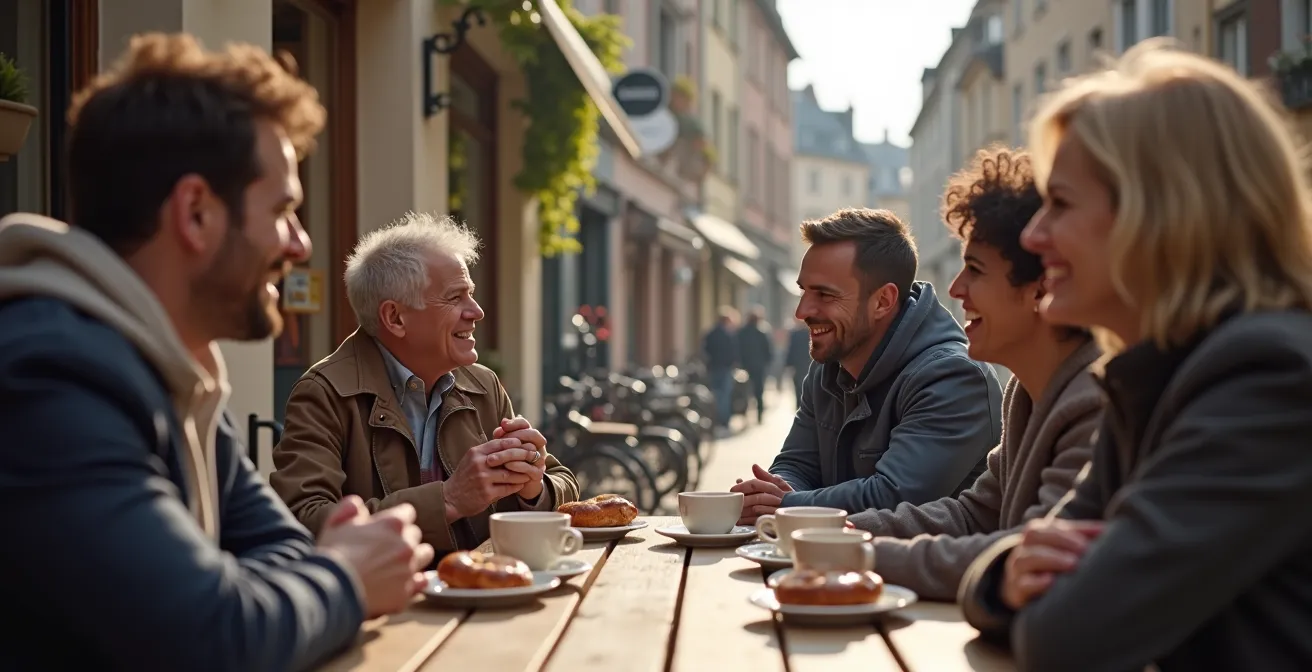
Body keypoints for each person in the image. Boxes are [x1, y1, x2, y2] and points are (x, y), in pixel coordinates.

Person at [0, 33, 428, 671]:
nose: (301, 244)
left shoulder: (172, 372)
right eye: (283, 209)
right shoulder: (50, 376)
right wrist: (344, 576)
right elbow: (208, 636)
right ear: (196, 212)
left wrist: (302, 579)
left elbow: (270, 554)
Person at [958, 40, 1312, 671]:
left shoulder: (1265, 378)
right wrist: (1006, 578)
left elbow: (1069, 635)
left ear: (1162, 215)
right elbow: (1014, 571)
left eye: (1060, 205)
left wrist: (1019, 587)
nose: (1035, 238)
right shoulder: (1154, 374)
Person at [845, 146, 1102, 601]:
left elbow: (1022, 560)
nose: (955, 288)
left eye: (976, 269)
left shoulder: (1092, 402)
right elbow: (972, 516)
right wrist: (838, 531)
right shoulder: (1027, 391)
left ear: (1042, 286)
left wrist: (860, 555)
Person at [271, 212, 580, 557]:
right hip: (387, 607)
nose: (476, 311)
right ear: (395, 317)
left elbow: (564, 483)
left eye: (472, 294)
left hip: (487, 596)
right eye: (455, 297)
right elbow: (303, 521)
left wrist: (534, 487)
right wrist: (448, 499)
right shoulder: (324, 393)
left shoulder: (483, 385)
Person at [733, 208, 1004, 524]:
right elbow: (797, 464)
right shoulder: (829, 364)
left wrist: (786, 503)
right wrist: (773, 494)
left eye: (824, 294)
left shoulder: (953, 377)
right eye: (803, 290)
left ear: (883, 301)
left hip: (915, 571)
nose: (802, 311)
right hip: (835, 563)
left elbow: (892, 497)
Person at [701, 306, 739, 432]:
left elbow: (705, 350)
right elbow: (733, 352)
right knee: (724, 396)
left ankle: (716, 421)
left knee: (716, 396)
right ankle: (724, 422)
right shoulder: (728, 335)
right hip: (724, 369)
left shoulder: (711, 333)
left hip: (713, 368)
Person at [736, 305, 774, 424]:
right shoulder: (761, 333)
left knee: (745, 390)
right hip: (759, 366)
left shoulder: (742, 332)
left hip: (745, 366)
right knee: (759, 391)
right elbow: (768, 350)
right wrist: (767, 362)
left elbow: (737, 349)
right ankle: (759, 414)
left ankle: (745, 414)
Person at [783, 317, 811, 407]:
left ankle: (799, 406)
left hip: (798, 365)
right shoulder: (810, 334)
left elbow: (790, 350)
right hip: (808, 364)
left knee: (799, 387)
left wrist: (788, 364)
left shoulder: (794, 334)